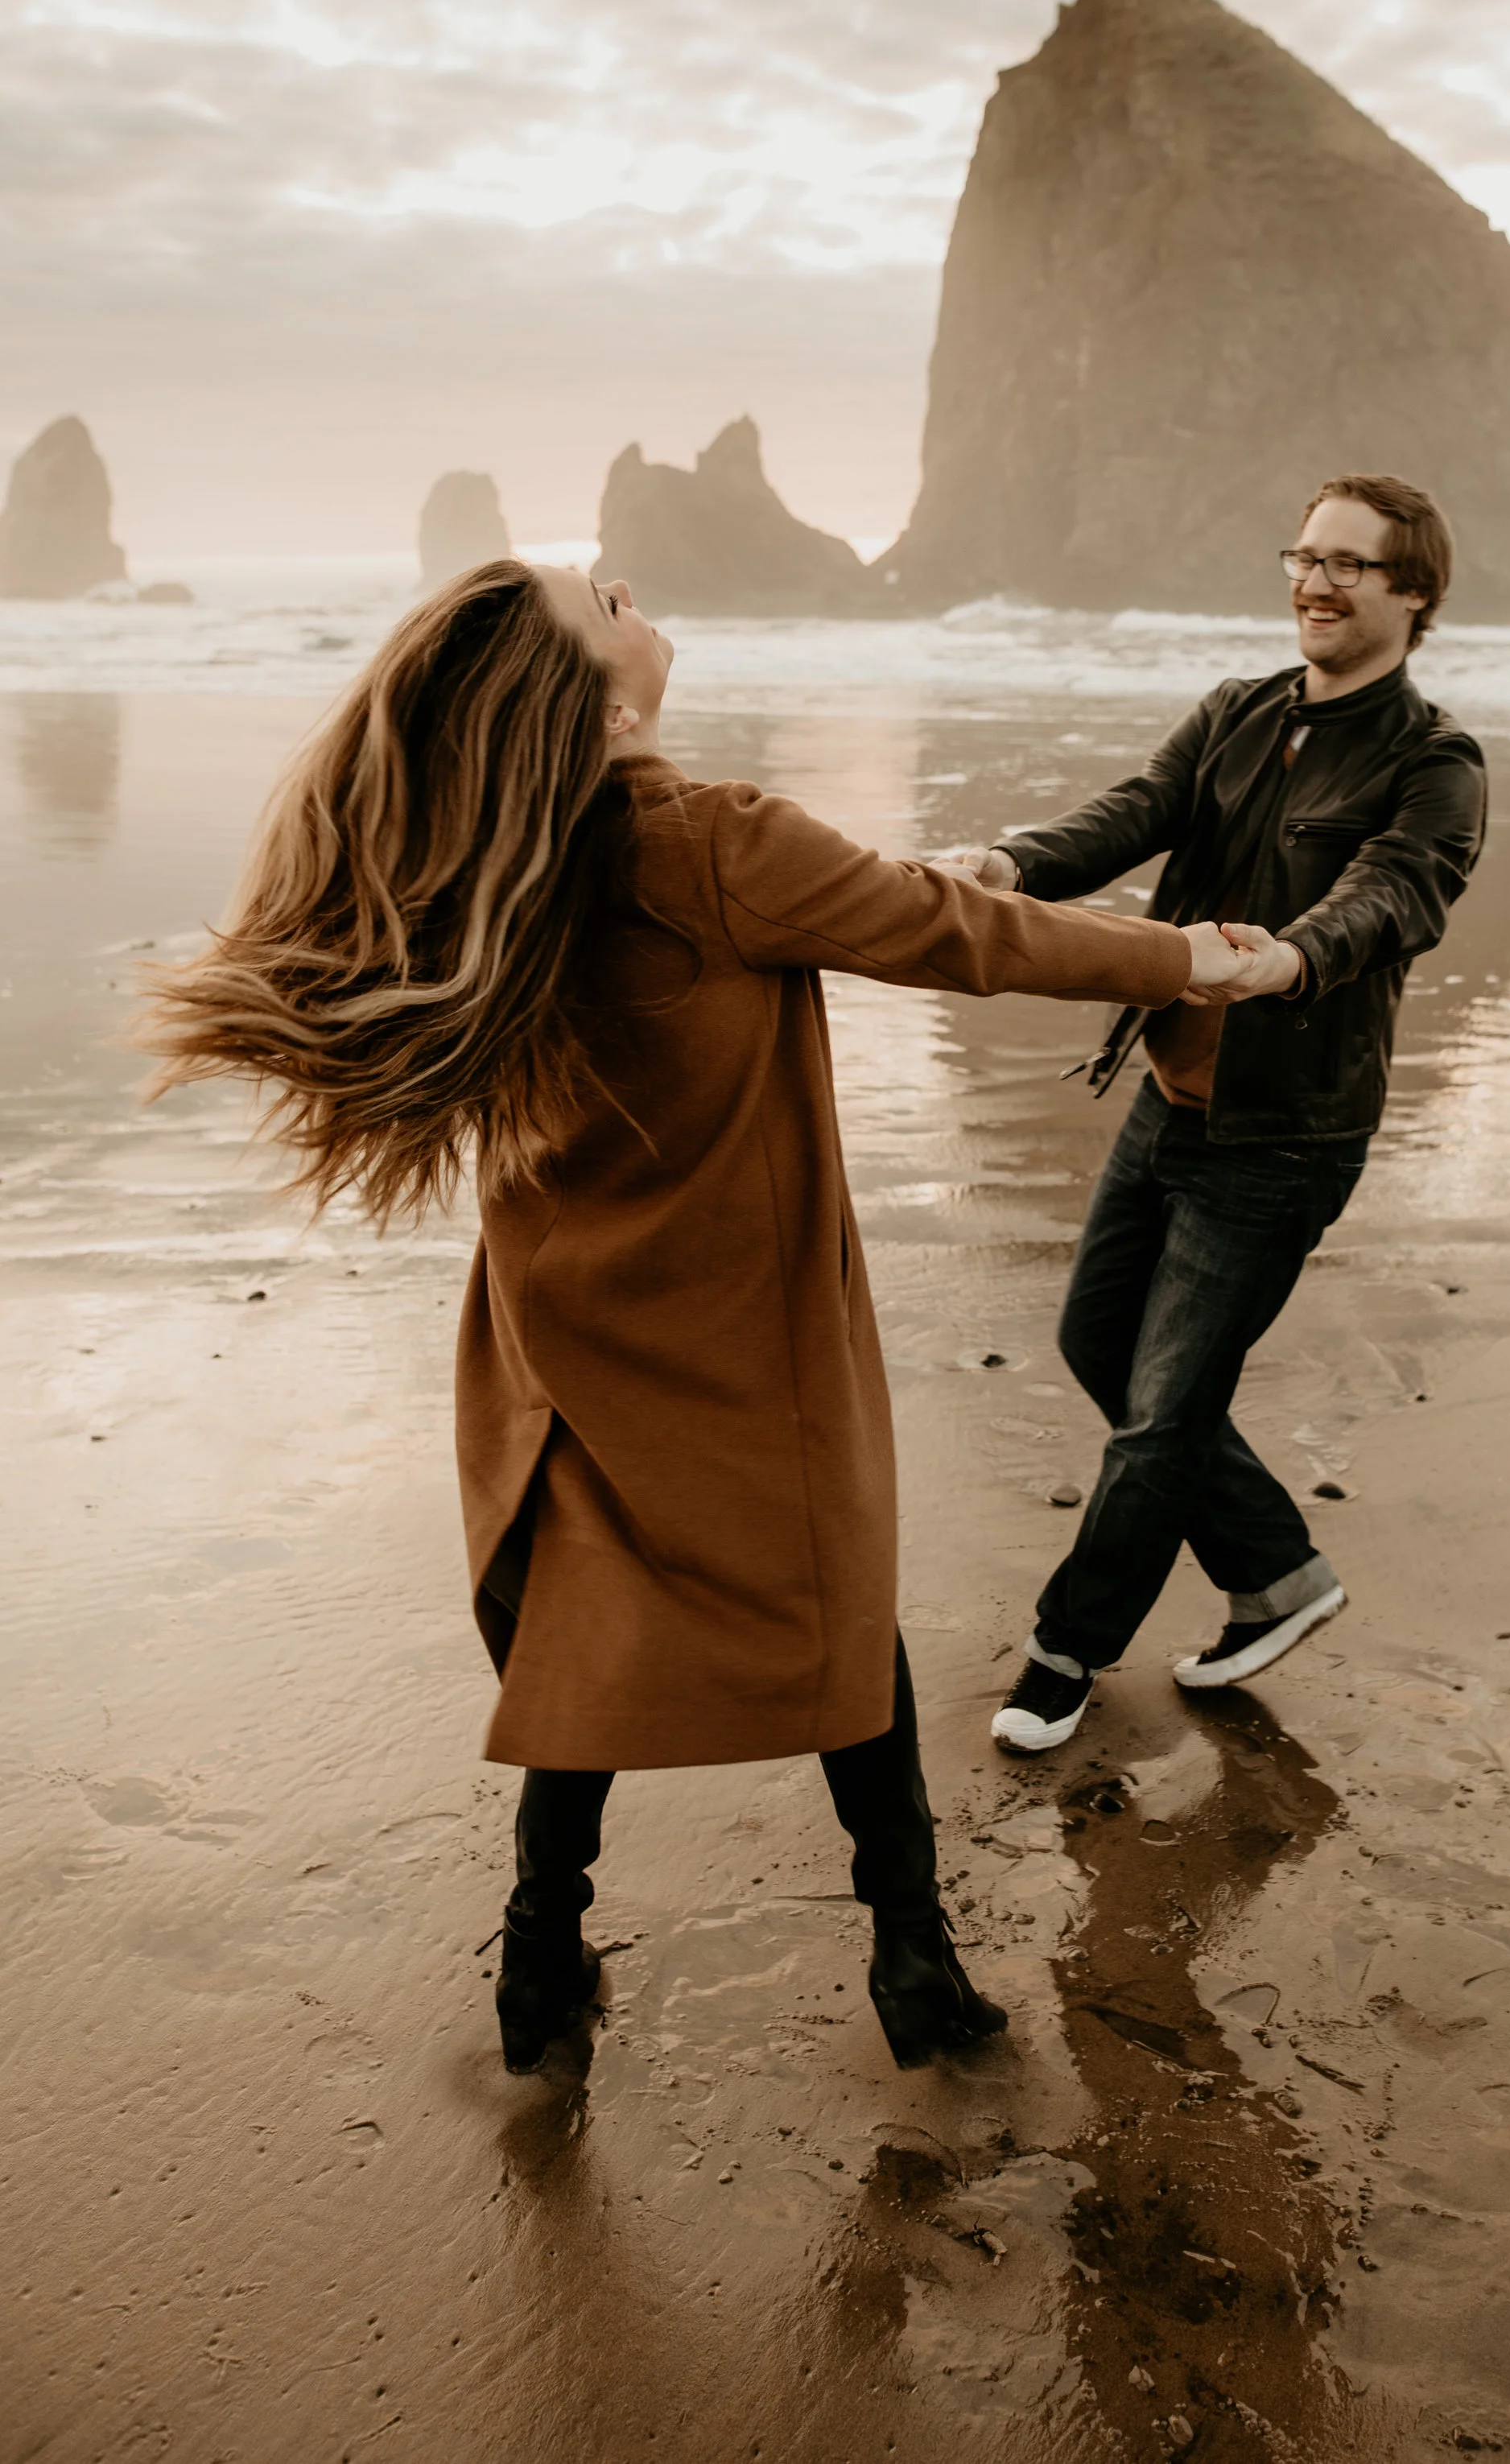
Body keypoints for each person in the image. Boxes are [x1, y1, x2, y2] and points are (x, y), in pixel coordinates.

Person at [141, 558, 1266, 2075]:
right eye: (597, 596)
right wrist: (1193, 955)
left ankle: (541, 1964)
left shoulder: (510, 861)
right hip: (741, 1327)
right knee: (838, 1608)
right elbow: (963, 942)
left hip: (568, 1325)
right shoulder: (718, 840)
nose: (627, 583)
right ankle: (914, 1959)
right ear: (600, 698)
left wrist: (917, 880)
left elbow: (909, 906)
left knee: (582, 1635)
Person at [937, 474, 1488, 1754]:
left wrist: (1284, 958)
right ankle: (1280, 1571)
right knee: (1101, 1344)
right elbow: (1138, 810)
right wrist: (1011, 862)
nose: (1317, 578)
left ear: (1414, 591)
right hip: (1173, 1097)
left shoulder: (1435, 760)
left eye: (1351, 563)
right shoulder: (1241, 714)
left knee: (1165, 1409)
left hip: (1286, 1133)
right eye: (1305, 554)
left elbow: (1395, 895)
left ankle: (1066, 1650)